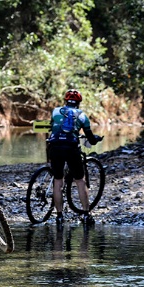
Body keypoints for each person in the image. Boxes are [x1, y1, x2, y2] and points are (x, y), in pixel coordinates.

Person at [46, 89, 103, 227]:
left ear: (65, 101)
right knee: (80, 181)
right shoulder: (82, 116)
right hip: (71, 148)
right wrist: (95, 140)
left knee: (58, 182)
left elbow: (51, 126)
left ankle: (59, 217)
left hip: (54, 147)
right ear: (78, 103)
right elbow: (89, 137)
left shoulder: (55, 111)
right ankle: (86, 214)